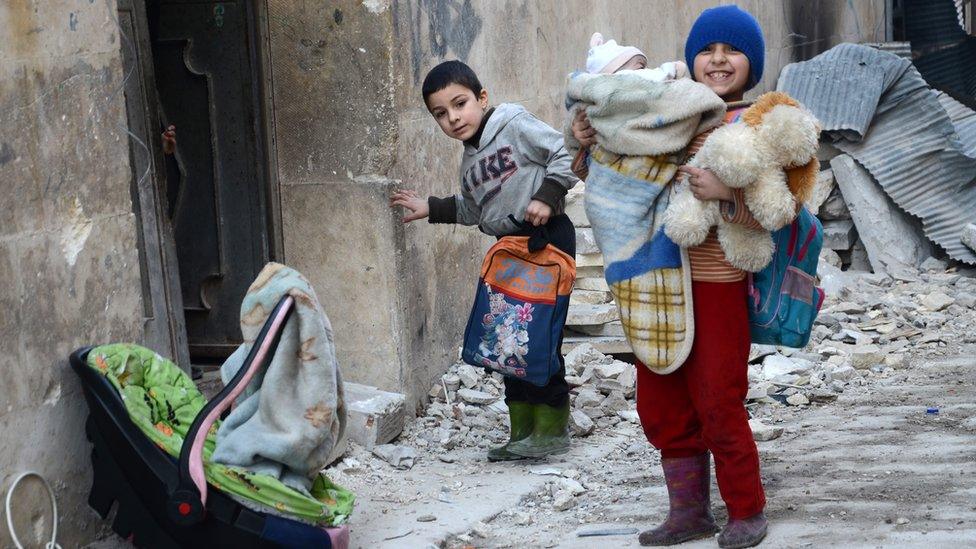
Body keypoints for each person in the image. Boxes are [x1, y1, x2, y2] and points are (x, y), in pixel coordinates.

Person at [572, 6, 775, 548]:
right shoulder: (667, 111)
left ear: (751, 63)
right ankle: (688, 511)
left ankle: (746, 508)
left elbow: (783, 209)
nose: (717, 60)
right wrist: (584, 138)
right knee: (660, 398)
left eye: (731, 51)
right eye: (707, 51)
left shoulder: (757, 122)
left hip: (717, 282)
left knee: (717, 396)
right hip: (653, 277)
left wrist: (726, 195)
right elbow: (614, 175)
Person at [390, 60, 579, 461]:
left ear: (482, 98)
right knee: (506, 343)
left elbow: (565, 152)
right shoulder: (468, 163)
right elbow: (476, 210)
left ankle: (551, 429)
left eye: (460, 104)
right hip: (507, 251)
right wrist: (432, 207)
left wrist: (546, 196)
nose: (453, 117)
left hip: (545, 241)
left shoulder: (512, 123)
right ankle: (521, 431)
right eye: (440, 113)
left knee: (538, 339)